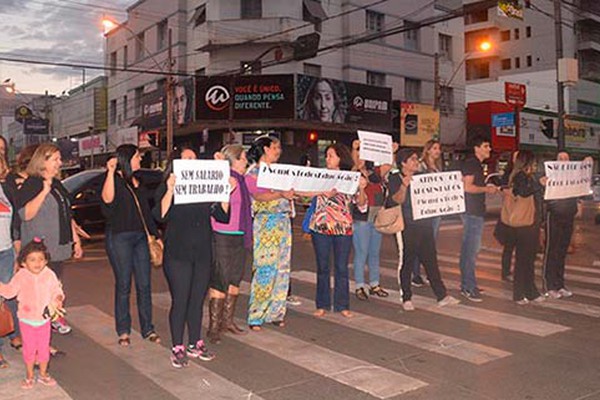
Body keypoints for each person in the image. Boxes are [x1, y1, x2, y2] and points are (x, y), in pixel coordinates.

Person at [154, 146, 228, 367]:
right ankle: (177, 345)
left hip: (203, 252)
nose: (192, 161)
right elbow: (160, 215)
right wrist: (170, 190)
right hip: (178, 254)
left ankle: (196, 342)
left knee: (197, 301)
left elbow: (222, 215)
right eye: (187, 158)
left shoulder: (203, 189)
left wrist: (224, 190)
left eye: (194, 158)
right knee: (181, 300)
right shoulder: (168, 186)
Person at [18, 143, 82, 335]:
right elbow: (25, 214)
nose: (59, 163)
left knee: (53, 288)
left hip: (58, 246)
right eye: (55, 159)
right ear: (43, 161)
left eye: (59, 159)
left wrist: (75, 238)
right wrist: (44, 192)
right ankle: (39, 333)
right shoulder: (33, 183)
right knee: (40, 293)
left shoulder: (57, 183)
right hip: (40, 249)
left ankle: (51, 321)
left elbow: (66, 213)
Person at [101, 144, 160, 346]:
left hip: (140, 238)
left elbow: (145, 211)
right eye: (137, 157)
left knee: (144, 284)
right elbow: (107, 201)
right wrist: (109, 171)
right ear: (127, 159)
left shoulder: (138, 181)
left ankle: (148, 328)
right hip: (120, 238)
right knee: (124, 284)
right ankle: (123, 330)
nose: (140, 160)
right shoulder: (115, 180)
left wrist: (155, 234)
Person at [391, 149, 459, 311]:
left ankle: (441, 295)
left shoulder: (422, 177)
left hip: (425, 224)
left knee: (430, 260)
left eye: (416, 159)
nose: (416, 162)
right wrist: (404, 186)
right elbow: (396, 199)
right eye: (412, 159)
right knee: (407, 261)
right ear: (403, 163)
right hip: (407, 225)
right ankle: (406, 297)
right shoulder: (395, 178)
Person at [310, 143, 368, 318]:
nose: (327, 159)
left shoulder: (351, 177)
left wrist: (362, 188)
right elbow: (306, 195)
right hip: (321, 227)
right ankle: (322, 304)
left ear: (340, 158)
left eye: (331, 155)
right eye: (326, 155)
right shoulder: (320, 176)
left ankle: (342, 304)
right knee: (323, 267)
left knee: (341, 267)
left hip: (342, 228)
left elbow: (362, 205)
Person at [0, 239, 64, 389]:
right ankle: (29, 376)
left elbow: (57, 290)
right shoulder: (21, 276)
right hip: (26, 320)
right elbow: (9, 292)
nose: (37, 263)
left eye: (41, 259)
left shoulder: (49, 274)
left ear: (46, 261)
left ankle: (43, 375)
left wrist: (58, 298)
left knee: (43, 348)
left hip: (44, 320)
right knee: (29, 349)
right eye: (32, 259)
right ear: (23, 262)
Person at [246, 136, 294, 330]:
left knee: (282, 270)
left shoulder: (280, 172)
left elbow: (295, 191)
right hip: (266, 223)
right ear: (265, 149)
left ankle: (276, 312)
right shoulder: (253, 173)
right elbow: (259, 196)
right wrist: (280, 194)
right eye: (275, 147)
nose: (278, 151)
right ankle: (256, 315)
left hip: (283, 222)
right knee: (265, 270)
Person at [207, 144, 251, 344]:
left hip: (239, 234)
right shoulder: (223, 176)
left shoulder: (241, 181)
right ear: (233, 160)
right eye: (243, 158)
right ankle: (214, 327)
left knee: (235, 279)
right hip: (222, 234)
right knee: (220, 279)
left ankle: (228, 321)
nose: (246, 162)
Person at [458, 135, 499, 302]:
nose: (489, 149)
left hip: (474, 211)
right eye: (486, 146)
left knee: (470, 250)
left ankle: (468, 284)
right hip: (472, 212)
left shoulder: (475, 164)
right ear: (477, 148)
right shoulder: (471, 164)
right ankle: (468, 286)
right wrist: (486, 189)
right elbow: (467, 187)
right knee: (470, 251)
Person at [350, 140, 388, 301]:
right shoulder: (352, 175)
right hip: (361, 219)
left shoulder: (373, 173)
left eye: (363, 154)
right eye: (357, 154)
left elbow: (388, 166)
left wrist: (389, 151)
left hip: (376, 217)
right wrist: (354, 148)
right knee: (361, 253)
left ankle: (374, 284)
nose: (360, 158)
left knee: (374, 253)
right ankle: (359, 285)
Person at [509, 150, 547, 304]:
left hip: (533, 221)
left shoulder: (529, 177)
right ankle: (518, 293)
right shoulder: (519, 177)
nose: (535, 165)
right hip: (524, 222)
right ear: (526, 162)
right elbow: (523, 192)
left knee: (530, 258)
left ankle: (530, 291)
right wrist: (539, 184)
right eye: (533, 162)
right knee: (523, 258)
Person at [542, 151, 579, 299]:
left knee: (562, 252)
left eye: (566, 158)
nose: (563, 161)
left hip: (568, 217)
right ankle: (550, 285)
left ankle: (560, 284)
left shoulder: (573, 177)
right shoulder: (550, 176)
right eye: (560, 158)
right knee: (552, 251)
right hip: (554, 217)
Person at [411, 139, 443, 287]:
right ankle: (416, 274)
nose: (438, 151)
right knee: (420, 242)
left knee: (431, 243)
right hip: (424, 209)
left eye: (439, 149)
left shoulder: (438, 167)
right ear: (428, 150)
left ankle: (430, 272)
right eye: (435, 148)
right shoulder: (421, 166)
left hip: (435, 209)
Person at [0, 154, 20, 368]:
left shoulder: (5, 188)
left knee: (3, 300)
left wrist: (16, 253)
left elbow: (15, 221)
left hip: (5, 252)